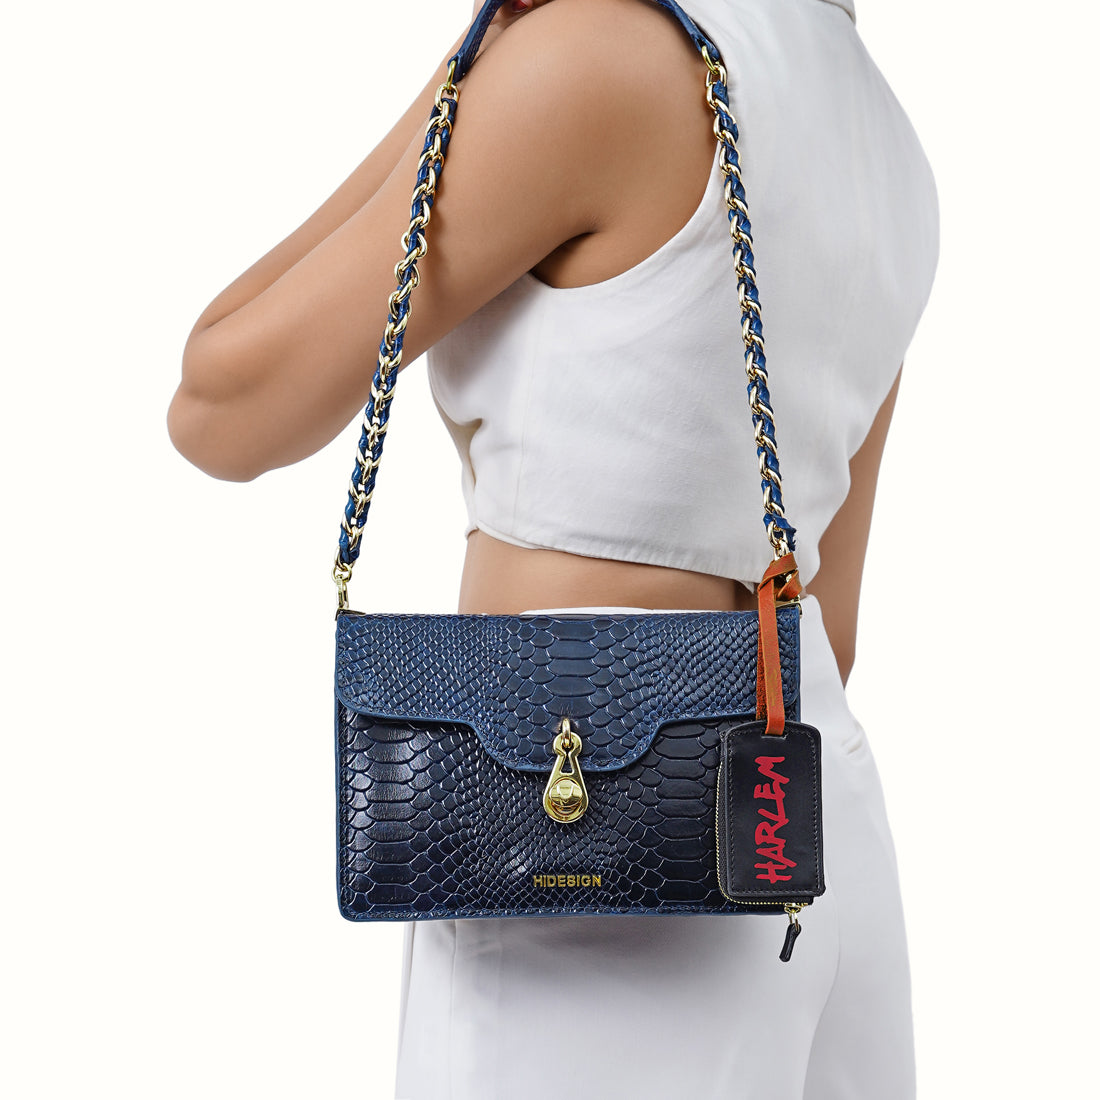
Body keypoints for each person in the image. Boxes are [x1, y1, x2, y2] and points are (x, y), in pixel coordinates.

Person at [168, 0, 939, 1095]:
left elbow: (219, 406)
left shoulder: (593, 56)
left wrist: (474, 62)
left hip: (562, 830)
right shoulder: (882, 135)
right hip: (805, 833)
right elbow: (832, 621)